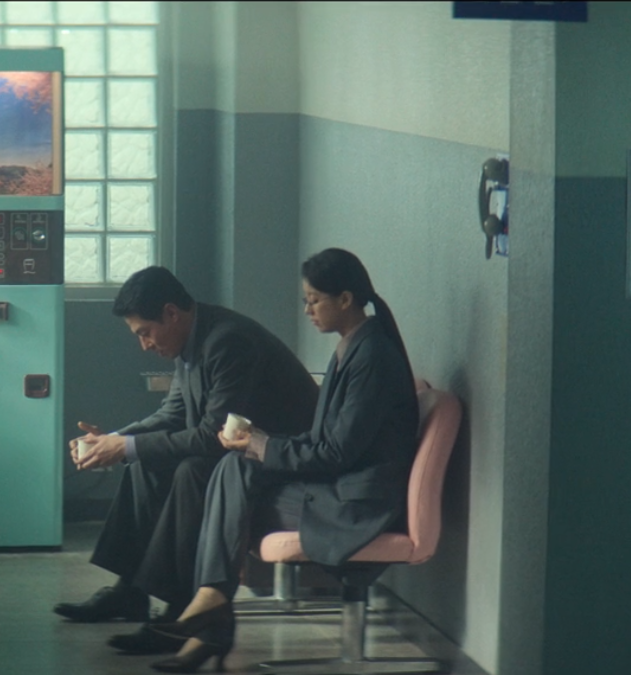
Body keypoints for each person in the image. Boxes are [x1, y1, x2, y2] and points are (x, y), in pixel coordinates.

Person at [145, 248, 419, 673]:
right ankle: (211, 608)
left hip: (357, 503)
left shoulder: (372, 358)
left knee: (229, 486)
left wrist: (264, 446)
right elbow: (323, 440)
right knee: (233, 466)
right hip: (339, 486)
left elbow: (337, 453)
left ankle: (211, 614)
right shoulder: (351, 349)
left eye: (314, 300)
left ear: (345, 299)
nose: (307, 310)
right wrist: (259, 443)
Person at [54, 266, 319, 656]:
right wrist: (114, 440)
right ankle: (130, 591)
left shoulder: (229, 342)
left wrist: (124, 446)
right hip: (241, 457)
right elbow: (173, 413)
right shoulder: (193, 339)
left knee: (191, 471)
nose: (144, 345)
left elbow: (213, 435)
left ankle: (179, 610)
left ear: (171, 313)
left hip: (284, 463)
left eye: (145, 332)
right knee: (144, 462)